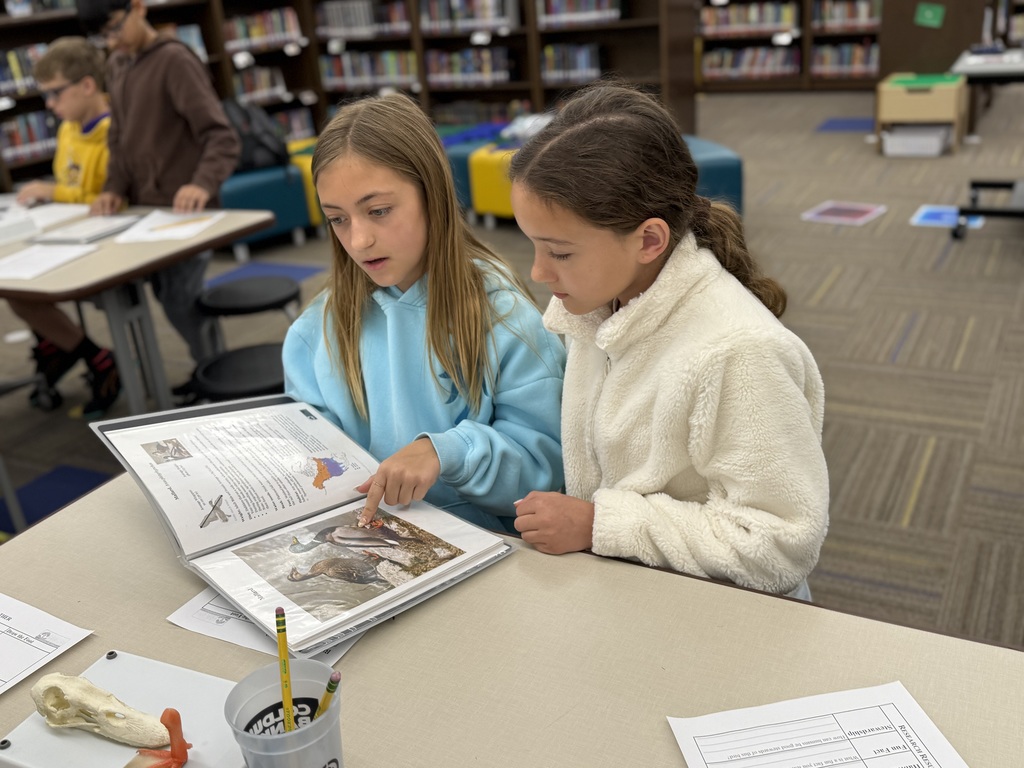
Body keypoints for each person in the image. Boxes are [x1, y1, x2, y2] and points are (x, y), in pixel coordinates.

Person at [509, 82, 829, 599]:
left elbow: (780, 545)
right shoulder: (598, 306)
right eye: (533, 245)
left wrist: (599, 525)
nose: (538, 271)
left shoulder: (740, 351)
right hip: (631, 593)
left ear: (649, 240)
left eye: (560, 253)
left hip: (723, 617)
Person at [282, 92, 566, 534]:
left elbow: (549, 472)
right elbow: (312, 459)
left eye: (378, 211)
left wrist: (445, 453)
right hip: (364, 542)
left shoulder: (504, 317)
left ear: (432, 195)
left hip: (486, 551)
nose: (358, 241)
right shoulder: (313, 333)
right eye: (337, 219)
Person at [77, 0, 240, 384]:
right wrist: (112, 188)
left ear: (138, 7)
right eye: (101, 36)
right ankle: (204, 375)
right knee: (157, 299)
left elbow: (221, 136)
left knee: (182, 303)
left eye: (114, 28)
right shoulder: (117, 64)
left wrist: (201, 183)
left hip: (185, 216)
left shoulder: (174, 61)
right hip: (146, 215)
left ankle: (218, 381)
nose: (111, 42)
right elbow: (118, 141)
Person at [8, 36, 120, 418]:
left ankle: (94, 357)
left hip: (106, 242)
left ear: (87, 85)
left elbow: (108, 198)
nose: (51, 106)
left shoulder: (114, 132)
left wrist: (55, 192)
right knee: (17, 288)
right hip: (63, 233)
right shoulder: (69, 128)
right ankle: (69, 349)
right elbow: (71, 188)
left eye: (55, 94)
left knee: (25, 292)